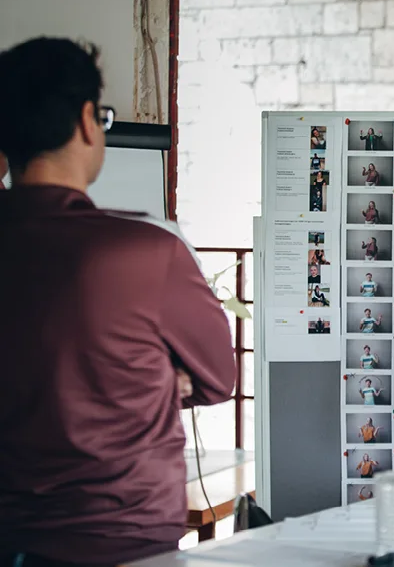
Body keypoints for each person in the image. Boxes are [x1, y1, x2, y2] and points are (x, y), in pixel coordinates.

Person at [0, 38, 237, 565]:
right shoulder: (145, 252)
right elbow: (219, 377)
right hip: (121, 540)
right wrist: (148, 379)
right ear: (87, 121)